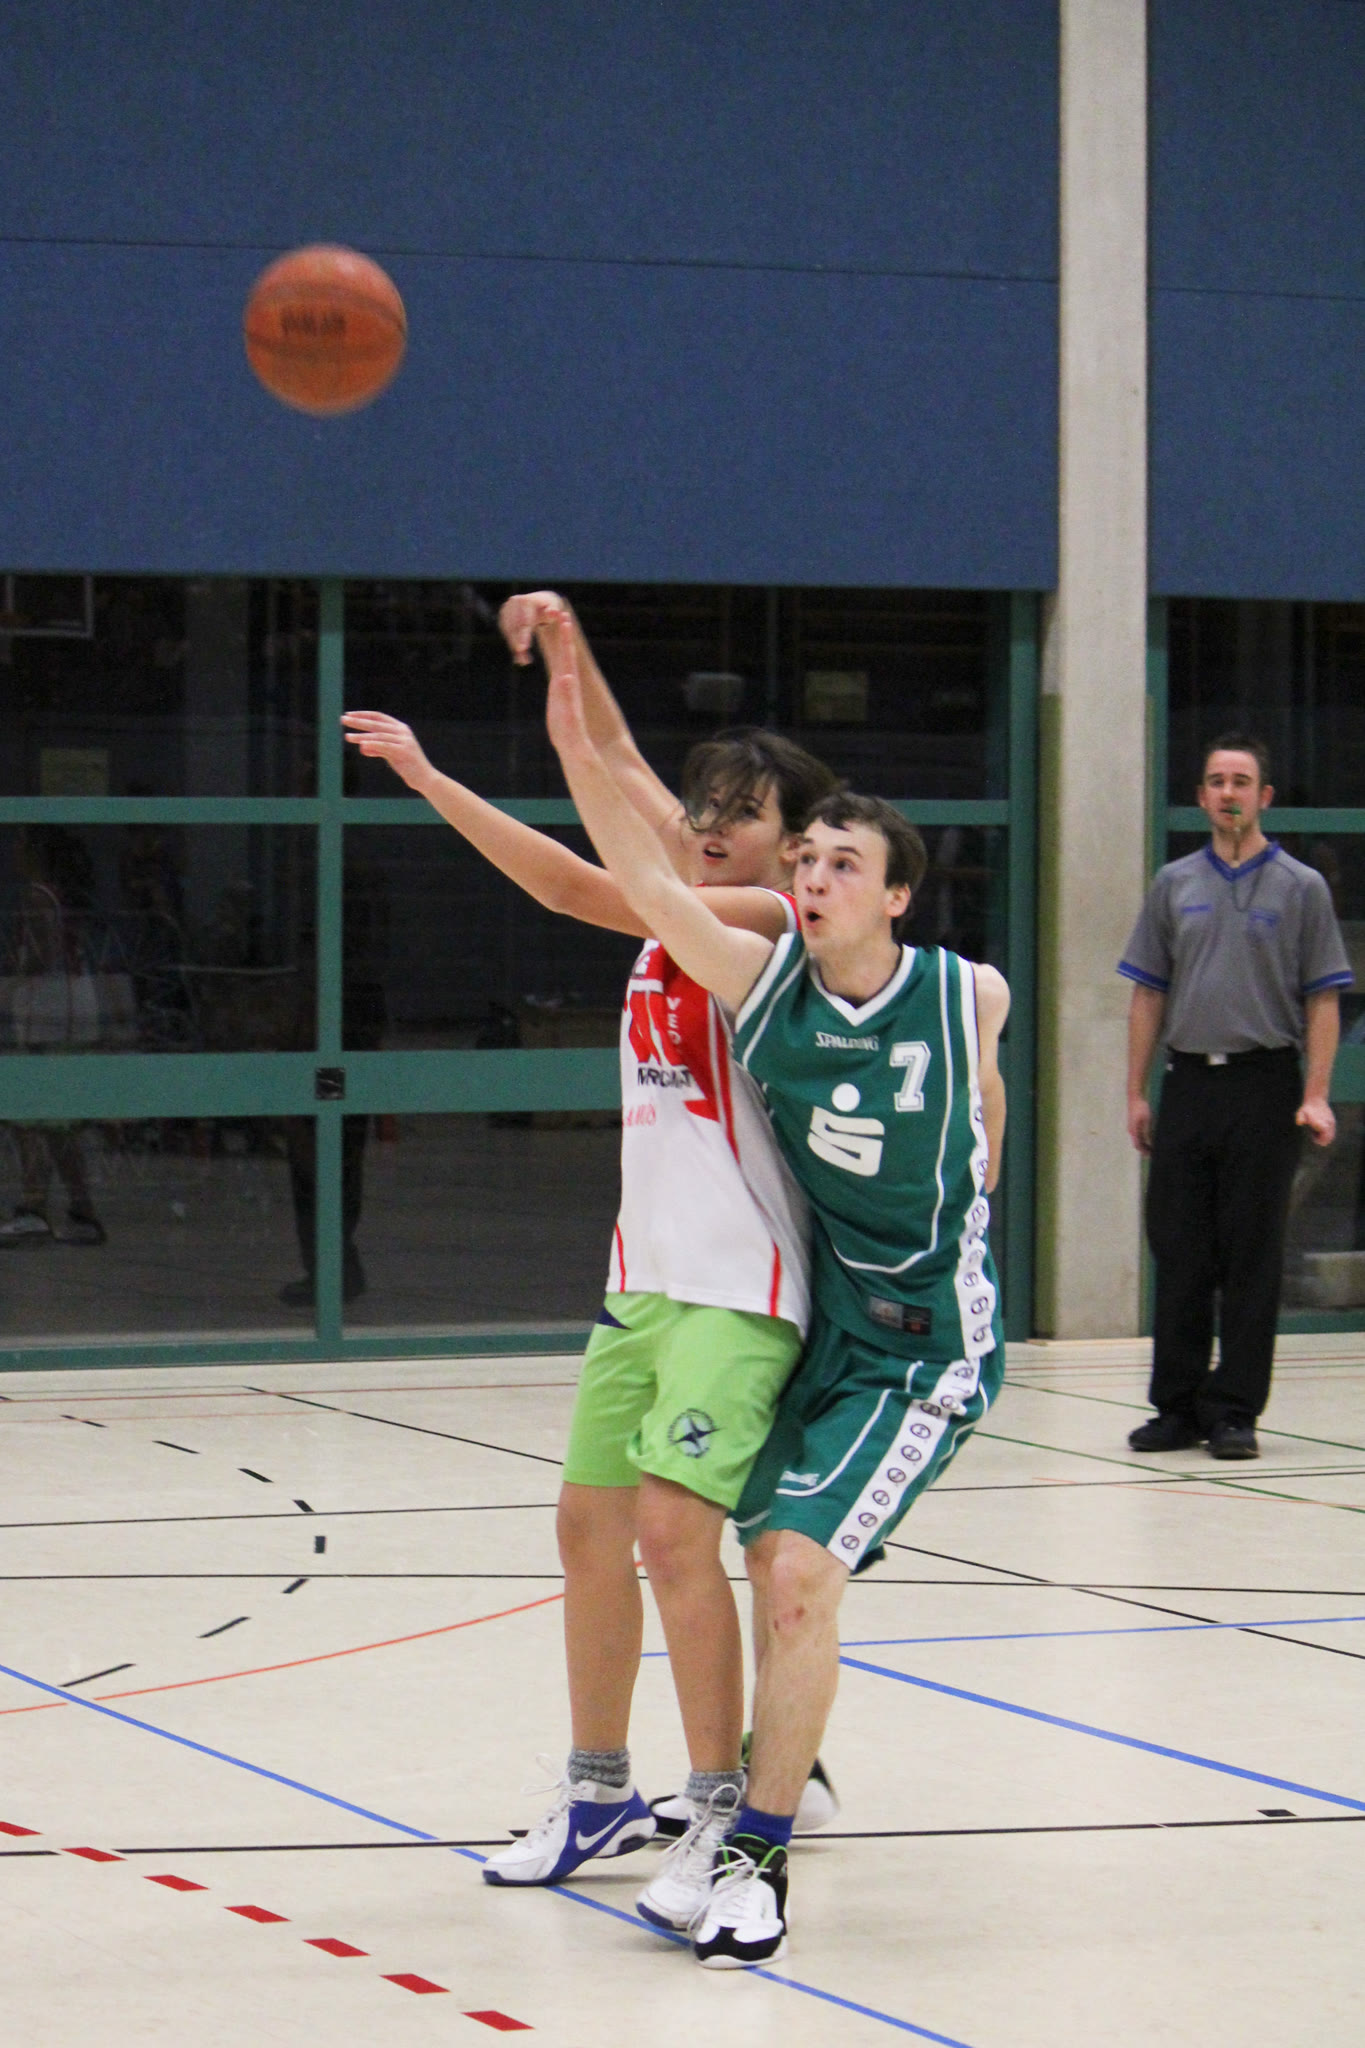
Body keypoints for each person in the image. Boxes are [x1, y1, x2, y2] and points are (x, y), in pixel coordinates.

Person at [343, 593, 841, 1926]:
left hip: (742, 1288)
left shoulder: (773, 927)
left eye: (745, 812)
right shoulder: (672, 903)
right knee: (587, 1530)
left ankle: (723, 1804)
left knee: (678, 1535)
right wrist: (564, 652)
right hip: (644, 1280)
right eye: (706, 804)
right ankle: (599, 1786)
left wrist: (444, 770)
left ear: (799, 849)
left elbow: (581, 871)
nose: (712, 821)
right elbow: (615, 779)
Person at [540, 608, 1009, 1967]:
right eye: (801, 862)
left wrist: (974, 1166)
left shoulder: (965, 994)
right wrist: (570, 714)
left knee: (793, 1569)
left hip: (918, 1341)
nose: (810, 877)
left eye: (839, 861)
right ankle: (748, 1789)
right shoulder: (759, 980)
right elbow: (642, 866)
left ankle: (753, 1852)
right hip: (819, 1324)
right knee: (729, 1550)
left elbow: (980, 1111)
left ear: (897, 893)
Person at [1120, 733, 1351, 1461]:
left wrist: (1316, 1094)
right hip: (1188, 1083)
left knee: (1251, 1254)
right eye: (1216, 781)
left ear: (1264, 797)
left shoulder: (1300, 888)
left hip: (1264, 1085)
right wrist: (1135, 1092)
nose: (1228, 793)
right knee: (1179, 1249)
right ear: (1200, 797)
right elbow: (1147, 993)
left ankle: (1233, 1411)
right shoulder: (1172, 884)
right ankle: (1176, 1406)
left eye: (1241, 782)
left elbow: (1322, 999)